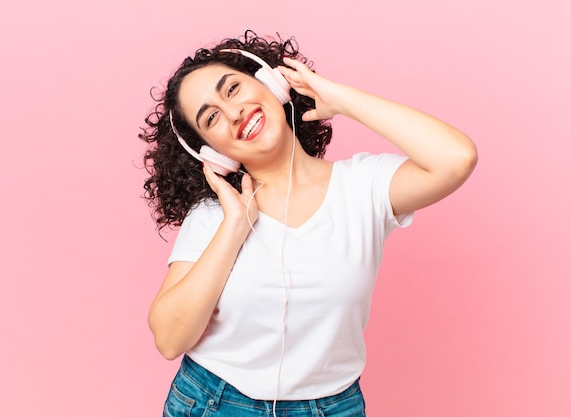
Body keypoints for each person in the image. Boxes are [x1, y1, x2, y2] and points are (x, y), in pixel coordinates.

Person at [140, 31, 477, 417]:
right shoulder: (214, 215)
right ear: (210, 151)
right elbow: (169, 339)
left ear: (271, 82)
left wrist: (340, 99)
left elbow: (457, 158)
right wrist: (234, 225)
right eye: (211, 117)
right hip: (214, 400)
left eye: (232, 89)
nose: (233, 112)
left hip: (331, 406)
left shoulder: (363, 187)